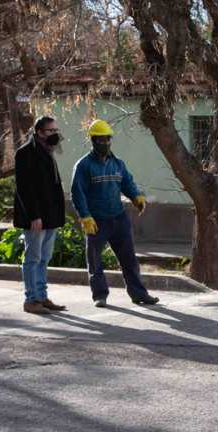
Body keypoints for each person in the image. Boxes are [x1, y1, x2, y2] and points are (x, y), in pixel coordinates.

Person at [71, 119, 159, 307]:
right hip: (96, 221)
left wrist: (136, 197)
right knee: (95, 262)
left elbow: (127, 183)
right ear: (93, 141)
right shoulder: (84, 166)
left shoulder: (118, 163)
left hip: (119, 218)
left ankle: (138, 294)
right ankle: (100, 295)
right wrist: (85, 216)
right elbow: (77, 193)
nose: (105, 143)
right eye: (101, 140)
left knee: (130, 260)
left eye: (108, 140)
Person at [14, 116, 68, 315]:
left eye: (55, 130)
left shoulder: (48, 152)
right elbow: (24, 188)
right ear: (39, 132)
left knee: (44, 258)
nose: (54, 134)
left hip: (50, 216)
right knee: (33, 258)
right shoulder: (25, 153)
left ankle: (42, 297)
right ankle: (31, 300)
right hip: (36, 218)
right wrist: (34, 216)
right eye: (50, 131)